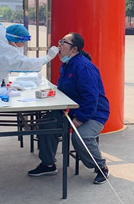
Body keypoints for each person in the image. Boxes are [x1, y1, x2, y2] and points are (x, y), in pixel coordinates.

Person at [28, 32, 110, 185]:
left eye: (63, 42)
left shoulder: (84, 67)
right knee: (47, 125)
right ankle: (48, 164)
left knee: (81, 137)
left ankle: (101, 167)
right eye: (60, 41)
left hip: (93, 113)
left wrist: (80, 118)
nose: (59, 45)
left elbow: (91, 98)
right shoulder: (67, 64)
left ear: (74, 49)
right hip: (69, 110)